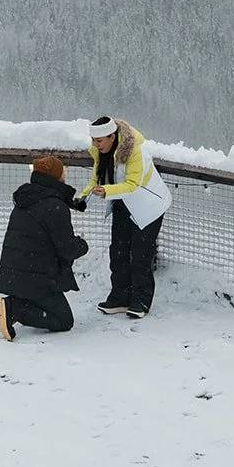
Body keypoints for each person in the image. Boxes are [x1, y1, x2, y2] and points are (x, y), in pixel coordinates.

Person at [80, 115, 171, 319]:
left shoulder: (134, 152)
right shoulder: (99, 152)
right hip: (122, 203)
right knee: (118, 252)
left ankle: (141, 301)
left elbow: (132, 185)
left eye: (99, 141)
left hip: (148, 206)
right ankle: (120, 298)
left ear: (112, 137)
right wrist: (83, 198)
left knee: (140, 255)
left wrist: (106, 191)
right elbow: (97, 179)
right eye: (93, 140)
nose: (95, 145)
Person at [0, 154, 90, 341]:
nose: (65, 175)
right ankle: (16, 308)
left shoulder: (28, 197)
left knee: (57, 313)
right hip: (38, 278)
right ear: (56, 176)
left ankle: (19, 302)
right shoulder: (54, 206)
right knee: (63, 321)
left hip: (17, 273)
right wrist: (82, 244)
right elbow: (67, 249)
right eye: (63, 171)